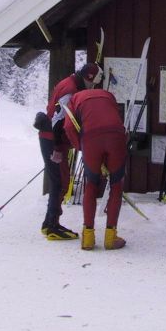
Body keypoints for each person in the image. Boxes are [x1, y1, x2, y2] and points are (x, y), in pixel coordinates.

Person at [37, 62, 103, 240]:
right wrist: (58, 148)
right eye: (93, 83)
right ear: (87, 78)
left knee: (59, 180)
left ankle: (50, 223)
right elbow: (59, 120)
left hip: (51, 138)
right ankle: (52, 226)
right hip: (53, 139)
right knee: (60, 182)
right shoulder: (71, 90)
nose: (93, 86)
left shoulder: (70, 82)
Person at [61, 86, 129, 251]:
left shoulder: (74, 100)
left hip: (91, 138)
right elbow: (113, 120)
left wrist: (81, 147)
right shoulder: (108, 95)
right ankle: (111, 237)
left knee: (90, 185)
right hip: (116, 135)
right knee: (116, 185)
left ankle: (88, 238)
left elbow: (69, 127)